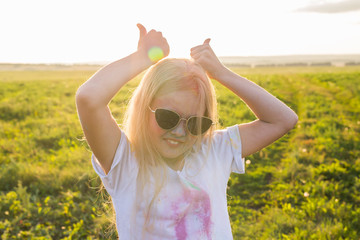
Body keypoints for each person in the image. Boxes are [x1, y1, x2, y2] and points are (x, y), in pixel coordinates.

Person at [75, 23, 298, 239]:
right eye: (168, 117)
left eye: (195, 123)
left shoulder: (213, 150)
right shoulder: (125, 161)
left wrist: (221, 73)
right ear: (145, 109)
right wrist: (144, 57)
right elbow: (88, 98)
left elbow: (283, 120)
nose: (180, 133)